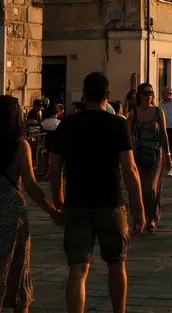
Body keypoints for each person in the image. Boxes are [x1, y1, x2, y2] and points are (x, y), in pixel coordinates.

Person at [48, 72, 145, 313]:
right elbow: (130, 168)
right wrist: (139, 207)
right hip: (110, 203)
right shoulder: (118, 124)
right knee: (116, 264)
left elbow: (54, 167)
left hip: (77, 203)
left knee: (78, 269)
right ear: (108, 95)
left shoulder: (67, 124)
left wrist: (58, 199)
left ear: (83, 95)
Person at [0, 95, 62, 313]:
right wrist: (53, 211)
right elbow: (30, 186)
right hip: (12, 213)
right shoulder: (20, 146)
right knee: (16, 272)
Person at [128, 82, 169, 234]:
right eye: (145, 93)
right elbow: (128, 136)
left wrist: (169, 154)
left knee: (151, 188)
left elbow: (164, 134)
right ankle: (138, 218)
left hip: (155, 154)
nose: (149, 96)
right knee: (137, 187)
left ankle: (151, 219)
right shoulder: (134, 113)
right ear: (139, 95)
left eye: (151, 93)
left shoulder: (159, 112)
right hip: (138, 154)